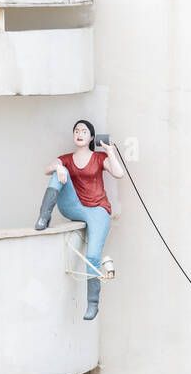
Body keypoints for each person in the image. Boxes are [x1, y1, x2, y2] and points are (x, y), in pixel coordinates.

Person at [35, 119, 125, 320]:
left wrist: (109, 150)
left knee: (93, 256)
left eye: (84, 131)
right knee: (60, 171)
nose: (80, 133)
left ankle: (93, 304)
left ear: (91, 137)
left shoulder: (98, 157)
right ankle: (44, 216)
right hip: (74, 207)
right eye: (77, 130)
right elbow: (46, 169)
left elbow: (119, 173)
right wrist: (58, 168)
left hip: (97, 210)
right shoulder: (66, 158)